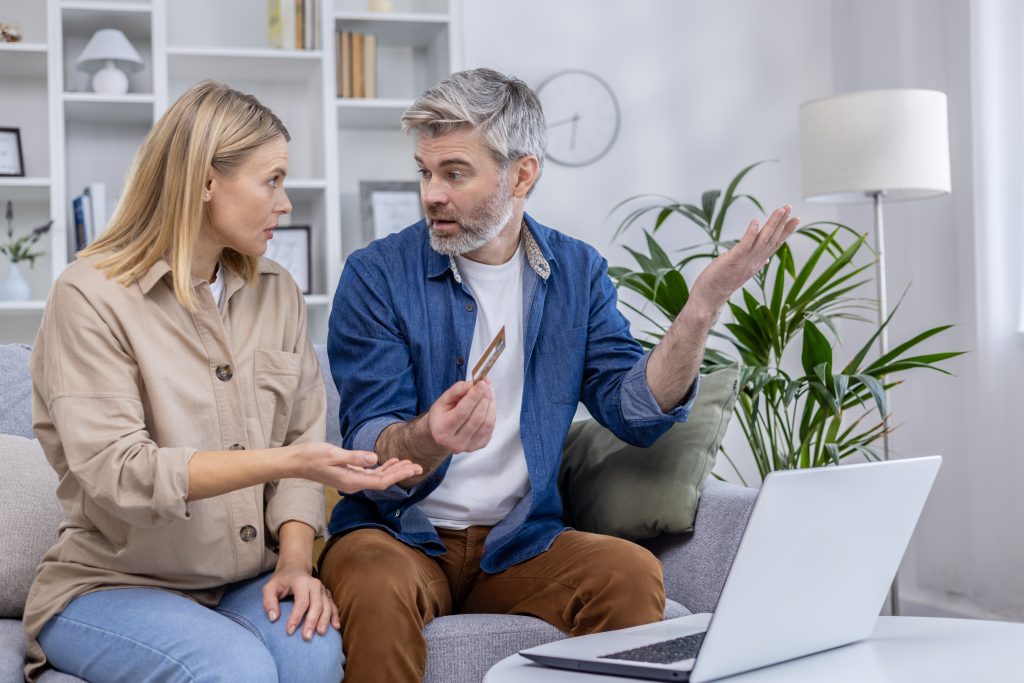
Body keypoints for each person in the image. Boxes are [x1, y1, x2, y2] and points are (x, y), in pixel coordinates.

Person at [319, 67, 799, 682]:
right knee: (373, 579)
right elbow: (370, 442)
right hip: (398, 534)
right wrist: (431, 438)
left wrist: (701, 308)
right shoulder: (376, 275)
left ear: (522, 174)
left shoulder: (576, 271)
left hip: (520, 541)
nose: (430, 194)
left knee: (629, 574)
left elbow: (635, 410)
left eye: (454, 173)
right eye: (425, 172)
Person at [22, 80, 422, 683]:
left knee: (312, 653)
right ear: (207, 181)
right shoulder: (89, 295)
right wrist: (288, 461)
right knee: (231, 667)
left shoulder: (278, 293)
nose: (285, 204)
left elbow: (299, 438)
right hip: (109, 585)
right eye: (273, 180)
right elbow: (120, 472)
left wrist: (293, 562)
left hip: (241, 582)